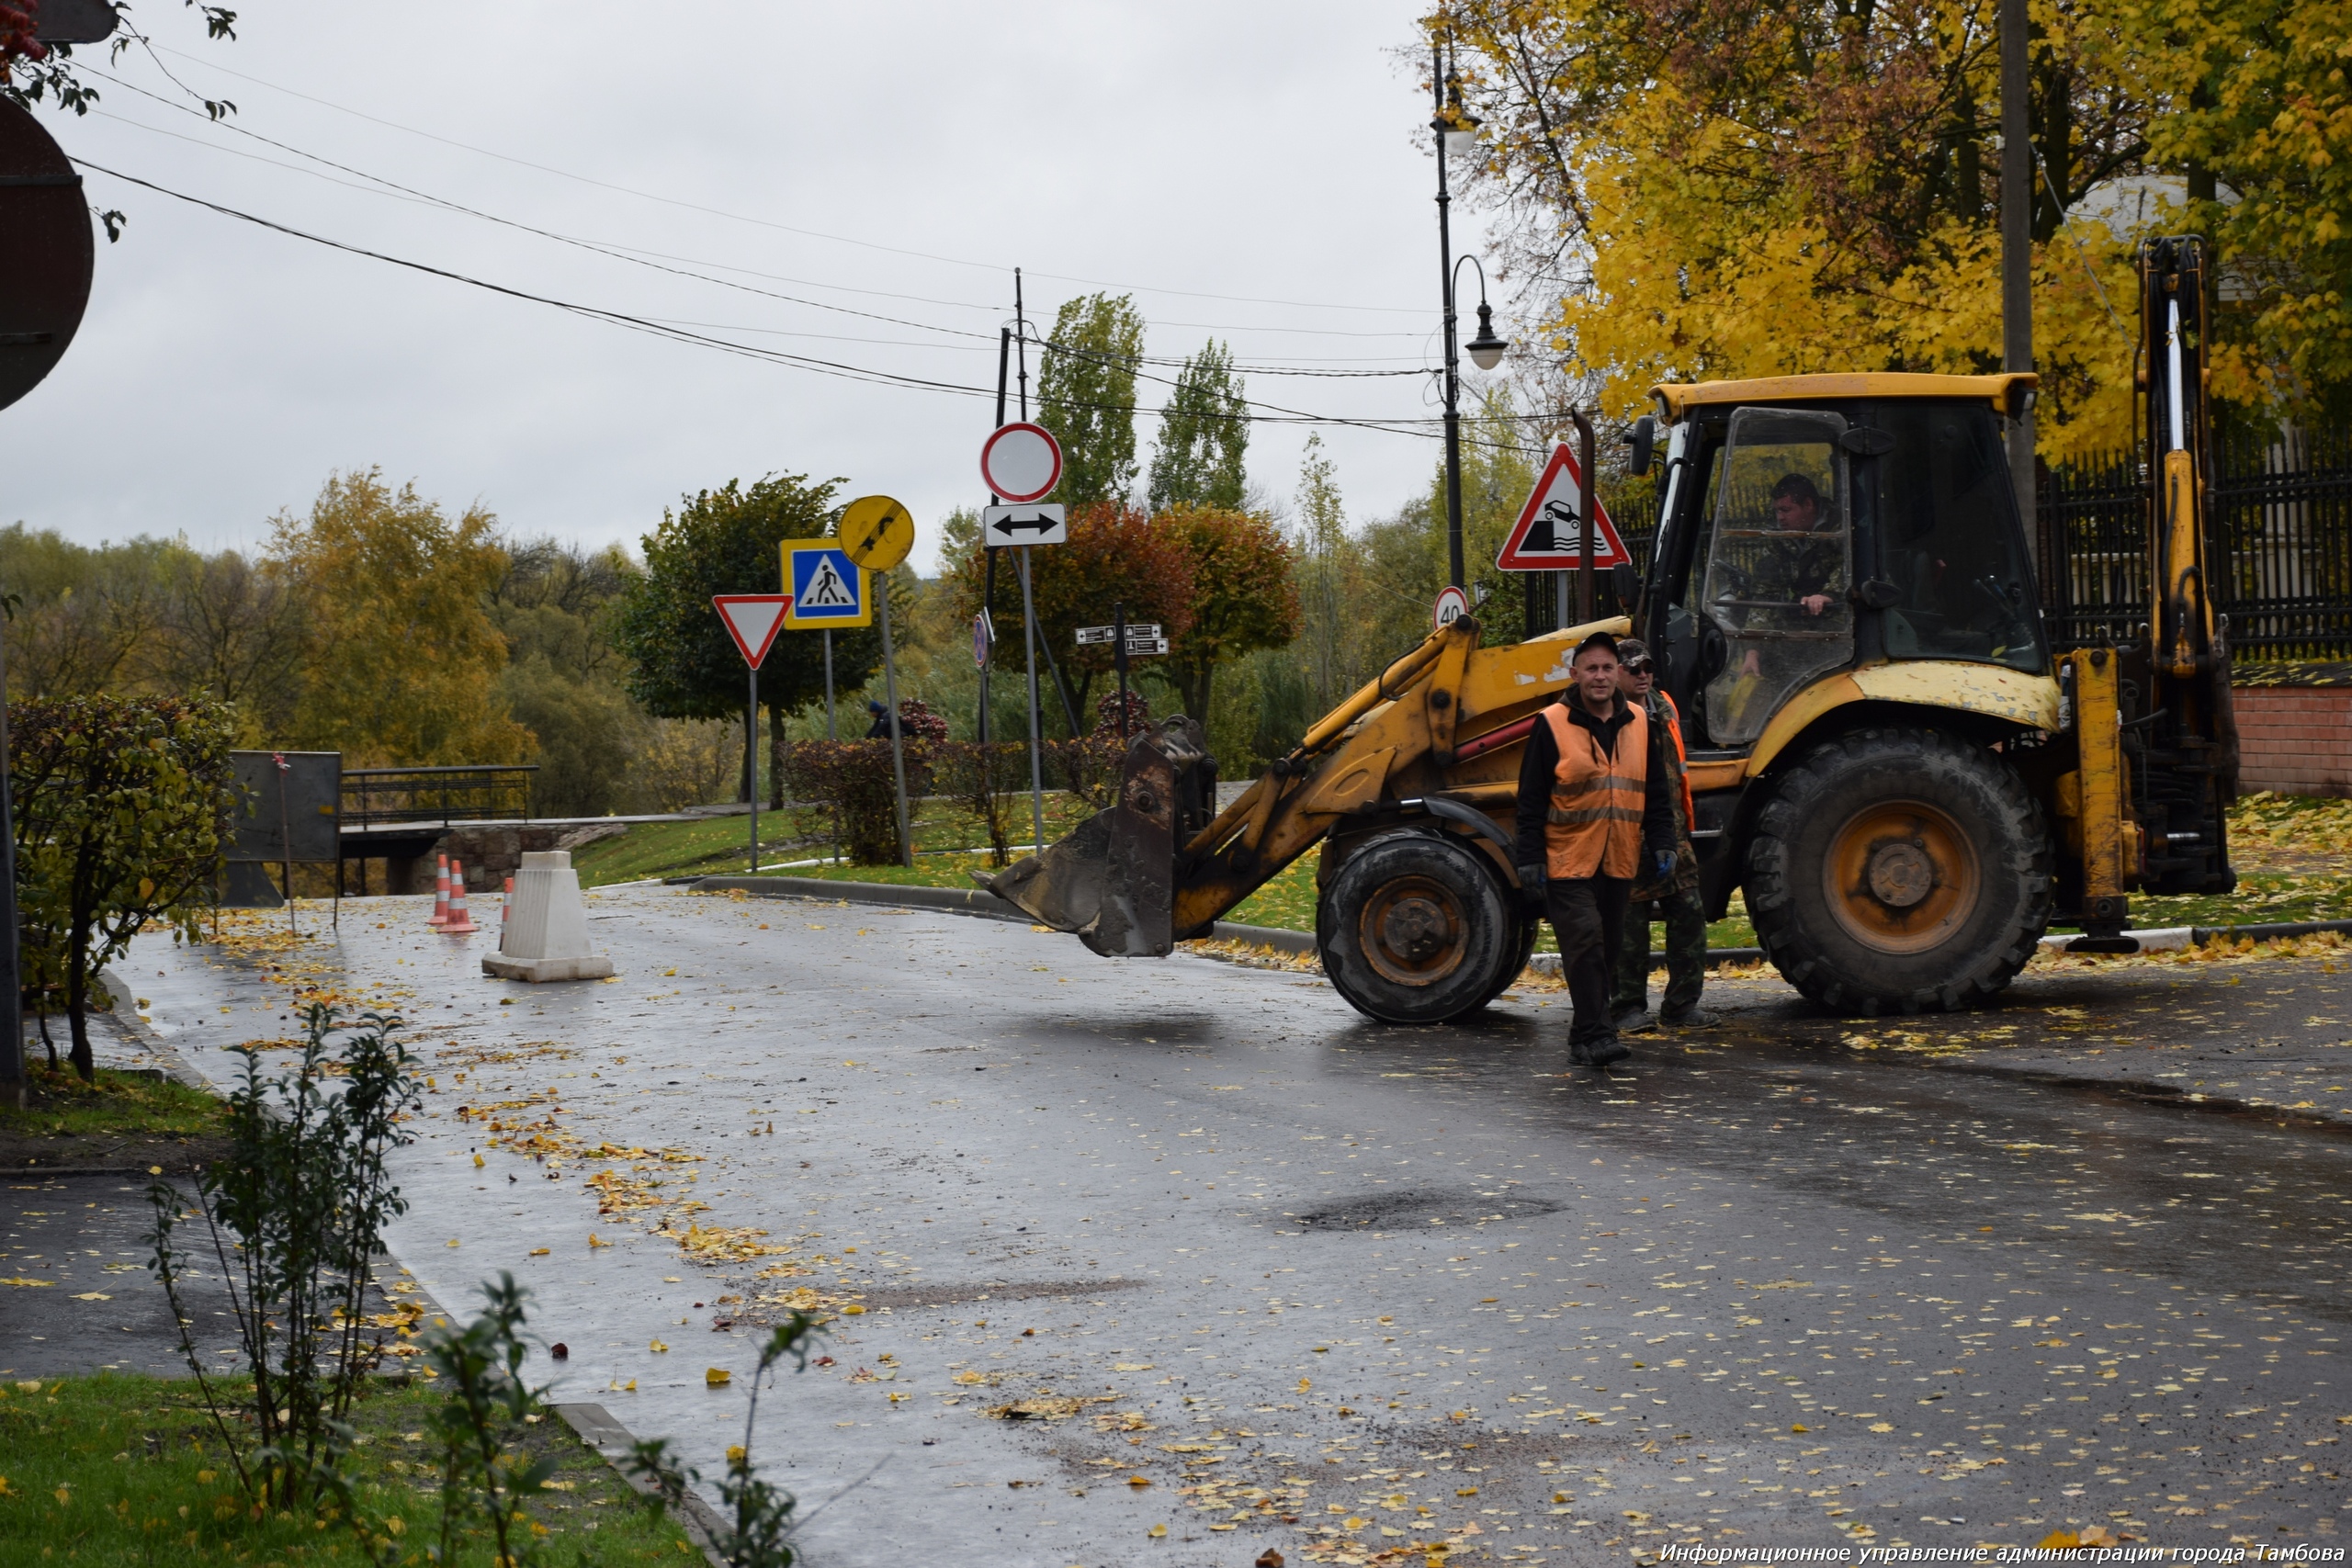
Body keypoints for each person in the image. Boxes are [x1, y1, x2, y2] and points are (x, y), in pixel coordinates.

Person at [1513, 631, 1677, 1068]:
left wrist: (1663, 841)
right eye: (1592, 668)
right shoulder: (1551, 723)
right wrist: (1528, 857)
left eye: (1607, 668)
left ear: (1617, 673)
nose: (1600, 677)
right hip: (1567, 857)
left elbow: (1657, 793)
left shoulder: (1642, 722)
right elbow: (1530, 799)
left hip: (1618, 857)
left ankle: (1582, 1035)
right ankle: (1601, 1035)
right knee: (1584, 941)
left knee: (1605, 949)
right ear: (1575, 675)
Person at [1607, 637, 1716, 1032]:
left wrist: (1678, 830)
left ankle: (1682, 1006)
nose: (1643, 674)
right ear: (1615, 671)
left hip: (1672, 832)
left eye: (1647, 667)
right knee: (1629, 924)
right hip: (1625, 836)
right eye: (1633, 668)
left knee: (1688, 913)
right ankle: (1626, 1008)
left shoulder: (1663, 704)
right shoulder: (1607, 713)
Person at [1736, 471, 1844, 678]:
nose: (1780, 518)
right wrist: (1752, 650)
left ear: (1809, 505)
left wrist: (1828, 595)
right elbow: (1765, 593)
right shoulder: (1778, 539)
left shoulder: (1841, 526)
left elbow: (1852, 567)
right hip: (1802, 616)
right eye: (1777, 511)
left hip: (1846, 621)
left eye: (1786, 510)